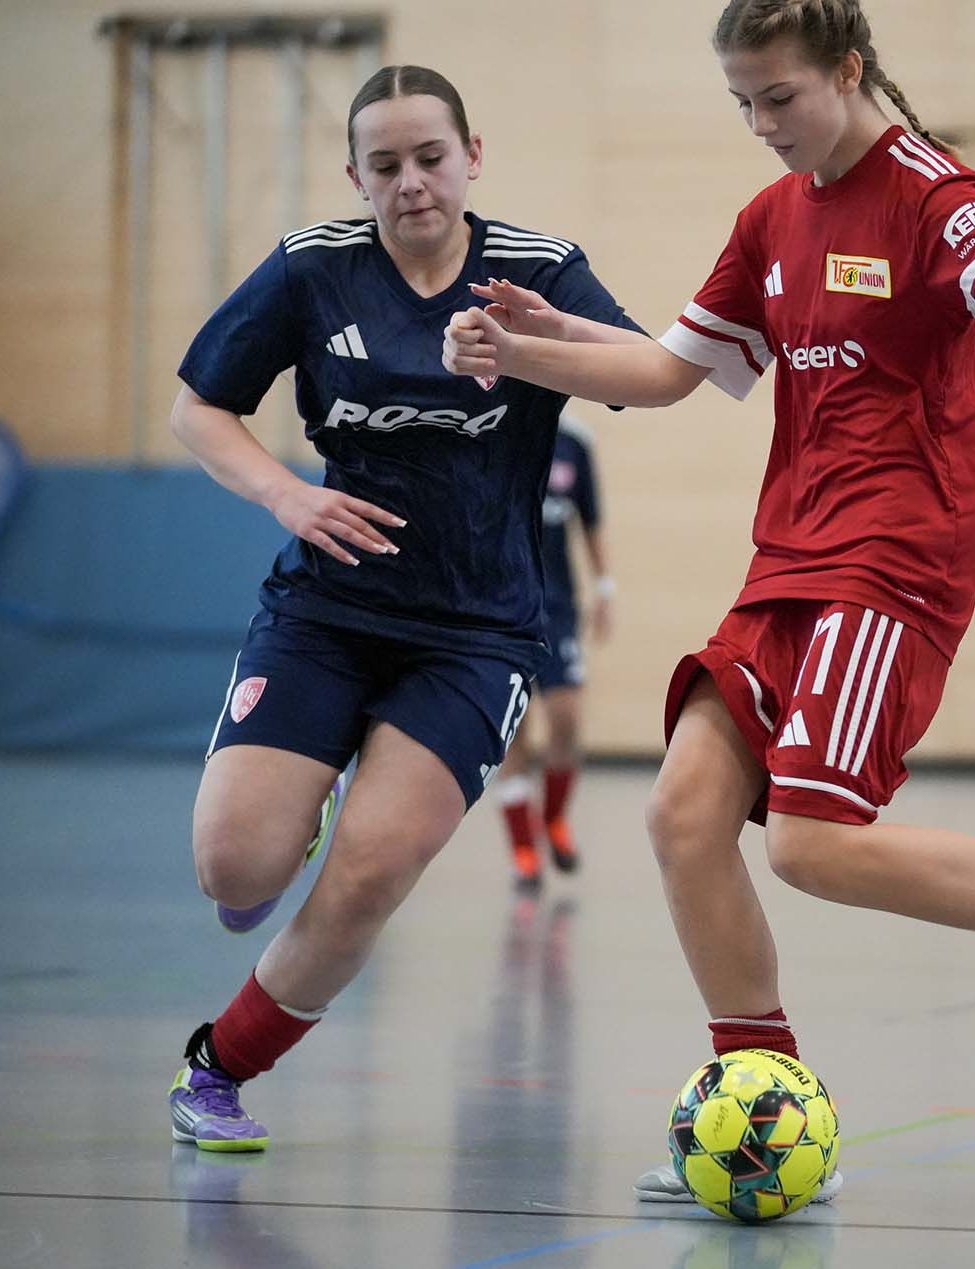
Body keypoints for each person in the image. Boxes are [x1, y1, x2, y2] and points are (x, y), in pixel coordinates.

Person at [443, 0, 975, 1204]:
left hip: (895, 560)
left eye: (780, 98)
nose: (764, 127)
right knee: (684, 818)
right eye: (743, 105)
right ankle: (762, 1116)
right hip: (789, 560)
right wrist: (526, 343)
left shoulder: (930, 188)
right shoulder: (772, 218)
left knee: (810, 843)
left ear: (847, 70)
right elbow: (662, 370)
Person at [165, 64, 640, 1151]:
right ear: (355, 176)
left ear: (473, 156)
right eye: (385, 165)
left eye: (431, 157)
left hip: (477, 634)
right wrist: (287, 493)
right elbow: (199, 407)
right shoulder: (311, 270)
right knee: (234, 869)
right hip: (326, 612)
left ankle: (219, 1069)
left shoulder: (535, 266)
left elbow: (639, 370)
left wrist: (525, 343)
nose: (413, 182)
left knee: (371, 871)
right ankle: (301, 795)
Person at [494, 414, 614, 888]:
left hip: (558, 607)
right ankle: (523, 849)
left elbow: (592, 519)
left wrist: (605, 587)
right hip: (501, 607)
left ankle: (555, 821)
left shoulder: (574, 443)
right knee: (514, 736)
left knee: (565, 719)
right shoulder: (493, 425)